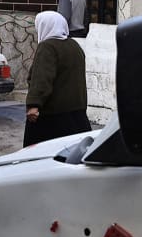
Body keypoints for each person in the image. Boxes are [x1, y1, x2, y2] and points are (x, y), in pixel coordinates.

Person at [24, 12, 91, 147]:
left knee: (40, 157)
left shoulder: (47, 47)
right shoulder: (74, 46)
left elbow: (42, 79)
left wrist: (34, 104)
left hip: (52, 116)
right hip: (76, 114)